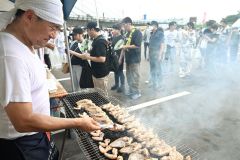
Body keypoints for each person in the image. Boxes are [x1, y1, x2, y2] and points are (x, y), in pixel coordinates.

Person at [0, 1, 100, 159]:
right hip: (21, 144)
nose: (54, 35)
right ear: (30, 17)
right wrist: (77, 122)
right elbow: (23, 120)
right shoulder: (10, 55)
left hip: (34, 135)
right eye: (52, 28)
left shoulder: (24, 43)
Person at [70, 22, 109, 94]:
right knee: (98, 93)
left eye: (87, 30)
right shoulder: (96, 40)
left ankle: (104, 105)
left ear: (92, 29)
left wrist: (88, 57)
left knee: (102, 94)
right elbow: (95, 54)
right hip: (96, 72)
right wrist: (88, 54)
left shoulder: (100, 41)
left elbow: (102, 59)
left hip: (100, 73)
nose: (87, 33)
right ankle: (101, 104)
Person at [120, 17, 142, 99]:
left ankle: (136, 92)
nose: (123, 27)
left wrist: (126, 46)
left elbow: (137, 45)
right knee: (129, 75)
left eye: (124, 25)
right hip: (128, 58)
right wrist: (121, 58)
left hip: (135, 58)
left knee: (135, 75)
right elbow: (124, 46)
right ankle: (131, 90)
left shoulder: (137, 32)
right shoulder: (127, 33)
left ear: (129, 24)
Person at [148, 21, 164, 89]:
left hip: (157, 53)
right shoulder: (152, 33)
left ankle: (160, 85)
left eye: (151, 25)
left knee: (158, 69)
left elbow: (162, 44)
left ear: (155, 26)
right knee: (152, 69)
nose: (150, 27)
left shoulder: (160, 33)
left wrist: (160, 55)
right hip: (152, 54)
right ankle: (154, 83)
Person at [69, 27, 86, 91]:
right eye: (73, 35)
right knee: (74, 84)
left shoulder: (85, 43)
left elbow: (84, 56)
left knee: (82, 86)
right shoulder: (73, 43)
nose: (74, 36)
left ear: (80, 34)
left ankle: (84, 99)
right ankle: (77, 97)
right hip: (73, 66)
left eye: (75, 35)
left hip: (81, 66)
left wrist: (72, 52)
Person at [110, 24, 125, 93]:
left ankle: (122, 86)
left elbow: (123, 49)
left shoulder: (122, 38)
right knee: (116, 71)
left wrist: (120, 59)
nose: (112, 31)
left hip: (119, 57)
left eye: (113, 29)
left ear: (118, 30)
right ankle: (116, 84)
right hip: (114, 57)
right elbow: (113, 46)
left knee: (120, 71)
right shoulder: (114, 37)